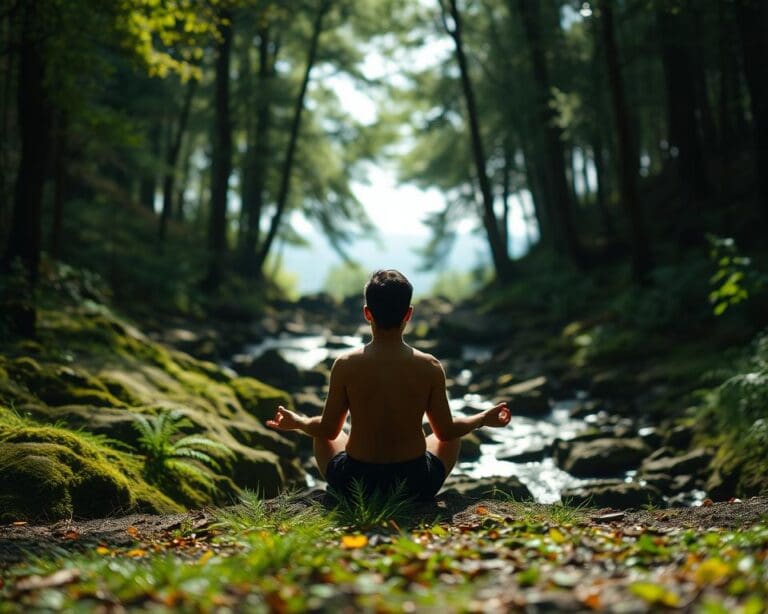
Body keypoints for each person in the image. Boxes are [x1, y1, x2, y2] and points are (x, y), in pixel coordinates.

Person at [266, 269, 511, 501]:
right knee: (450, 435)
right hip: (415, 484)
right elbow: (446, 431)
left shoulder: (345, 364)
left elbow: (329, 430)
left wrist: (298, 422)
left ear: (367, 313)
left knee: (322, 433)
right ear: (409, 314)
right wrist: (482, 418)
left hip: (356, 484)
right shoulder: (430, 366)